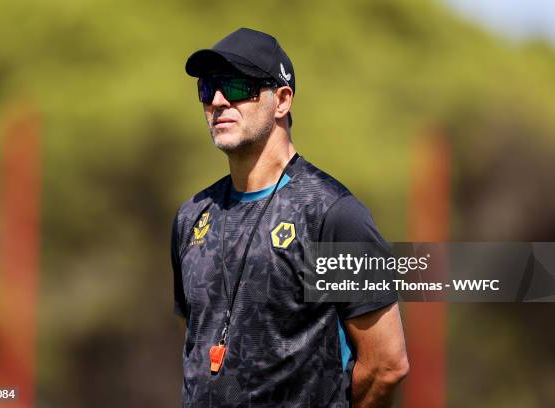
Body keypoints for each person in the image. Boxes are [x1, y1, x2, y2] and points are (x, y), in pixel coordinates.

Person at [171, 27, 408, 407]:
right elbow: (201, 346)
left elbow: (386, 365)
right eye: (207, 88)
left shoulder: (332, 215)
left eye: (235, 86)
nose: (217, 100)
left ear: (281, 100)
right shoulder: (192, 217)